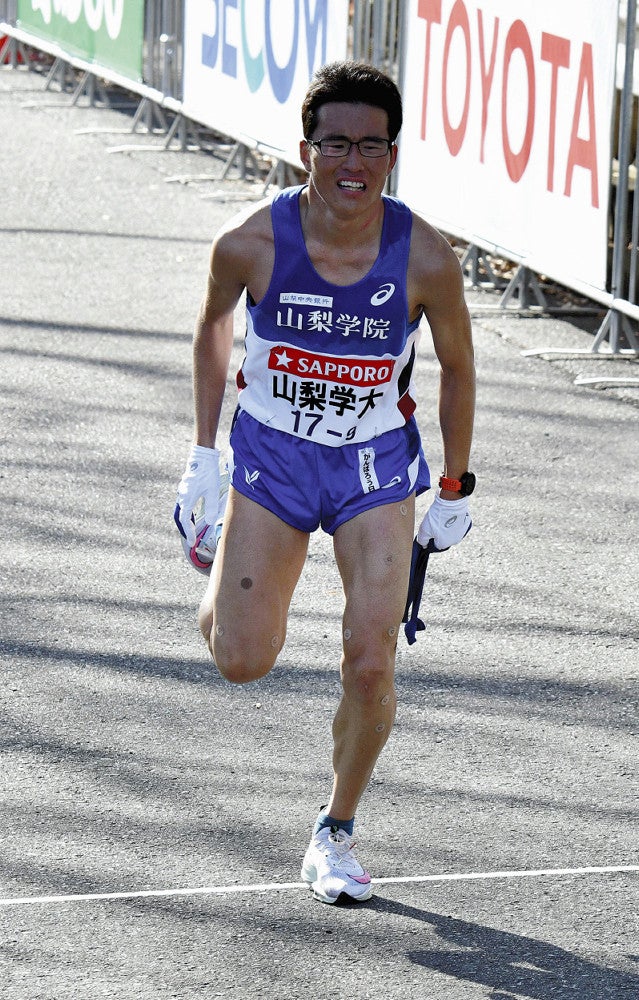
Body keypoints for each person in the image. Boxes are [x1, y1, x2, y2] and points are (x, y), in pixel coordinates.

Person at [174, 61, 476, 905]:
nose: (353, 163)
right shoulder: (249, 243)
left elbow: (457, 366)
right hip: (272, 458)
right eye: (335, 144)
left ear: (392, 154)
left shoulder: (424, 257)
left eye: (372, 146)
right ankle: (221, 556)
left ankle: (335, 831)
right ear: (305, 149)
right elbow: (212, 329)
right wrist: (203, 456)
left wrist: (455, 484)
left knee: (370, 661)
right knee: (241, 660)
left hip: (372, 468)